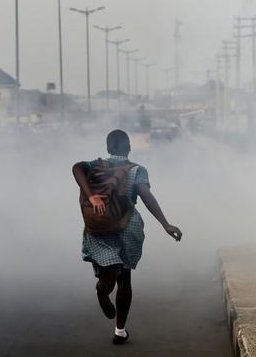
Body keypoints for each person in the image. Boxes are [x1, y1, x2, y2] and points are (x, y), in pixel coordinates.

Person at [72, 129, 183, 345]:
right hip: (127, 226)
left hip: (99, 223)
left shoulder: (94, 165)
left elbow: (76, 167)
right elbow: (146, 195)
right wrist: (165, 223)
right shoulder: (137, 170)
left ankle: (103, 287)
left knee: (108, 271)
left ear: (107, 149)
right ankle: (120, 331)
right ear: (129, 147)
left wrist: (91, 195)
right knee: (124, 279)